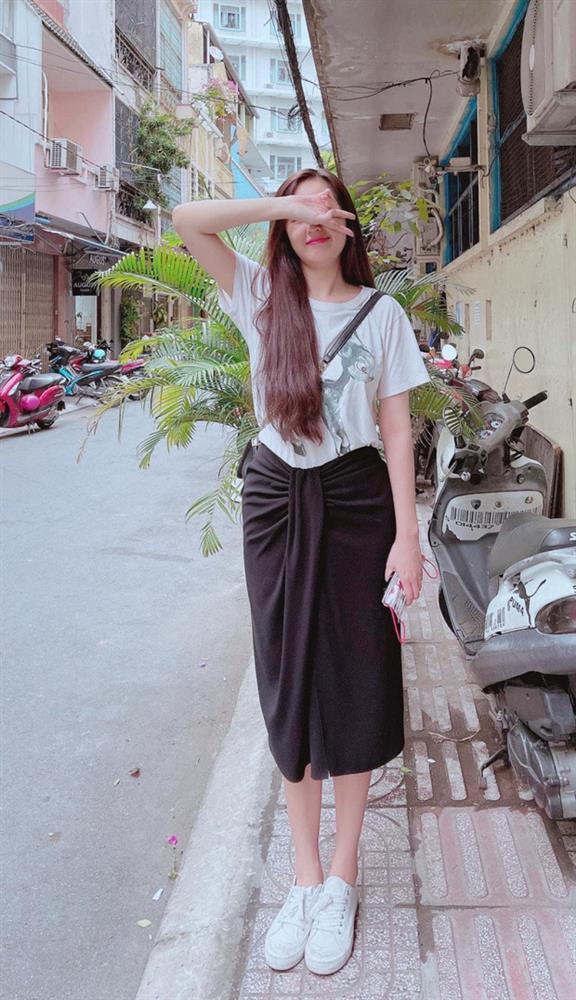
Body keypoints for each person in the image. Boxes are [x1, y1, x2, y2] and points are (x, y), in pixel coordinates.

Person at [172, 168, 429, 978]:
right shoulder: (258, 294)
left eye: (326, 207)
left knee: (353, 680)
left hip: (357, 502)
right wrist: (283, 204)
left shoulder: (382, 315)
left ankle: (342, 877)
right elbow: (188, 218)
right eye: (299, 211)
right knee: (288, 682)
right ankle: (305, 878)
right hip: (276, 499)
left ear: (350, 225)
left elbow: (396, 430)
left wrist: (408, 536)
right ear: (283, 226)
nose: (313, 220)